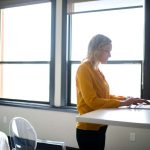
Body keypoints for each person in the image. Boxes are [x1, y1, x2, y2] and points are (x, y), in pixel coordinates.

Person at [75, 34, 149, 150]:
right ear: (97, 50)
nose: (110, 55)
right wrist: (123, 103)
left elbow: (105, 96)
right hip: (88, 128)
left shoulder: (96, 69)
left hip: (100, 125)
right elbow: (92, 101)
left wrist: (127, 99)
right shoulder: (84, 68)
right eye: (107, 51)